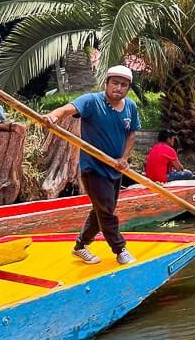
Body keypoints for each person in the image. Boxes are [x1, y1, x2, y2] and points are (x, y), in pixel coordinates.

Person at [45, 65, 141, 265]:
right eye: (115, 83)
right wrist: (53, 116)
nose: (119, 88)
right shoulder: (91, 101)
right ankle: (120, 249)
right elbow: (67, 109)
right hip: (93, 168)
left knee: (100, 210)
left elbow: (132, 133)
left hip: (115, 168)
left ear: (128, 88)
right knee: (106, 210)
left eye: (124, 85)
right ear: (106, 83)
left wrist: (124, 158)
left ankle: (80, 246)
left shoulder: (130, 106)